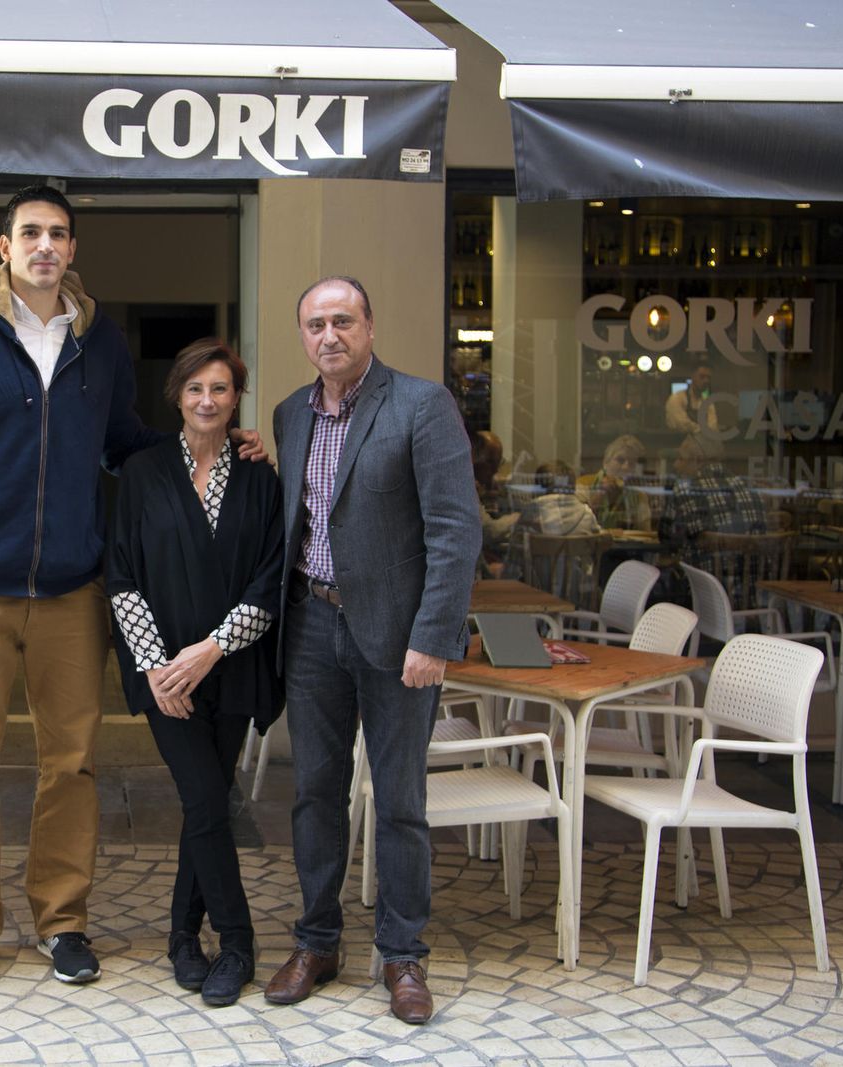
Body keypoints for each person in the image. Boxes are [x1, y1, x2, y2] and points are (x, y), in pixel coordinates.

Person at [0, 185, 266, 994]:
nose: (45, 246)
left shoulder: (100, 346)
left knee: (72, 764)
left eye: (59, 233)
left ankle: (62, 921)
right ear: (4, 246)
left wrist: (211, 437)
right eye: (31, 233)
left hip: (70, 594)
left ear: (73, 248)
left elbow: (125, 443)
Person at [266, 276, 478, 1024]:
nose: (330, 335)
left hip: (398, 638)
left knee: (401, 803)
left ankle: (403, 955)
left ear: (370, 326)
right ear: (303, 336)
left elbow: (456, 529)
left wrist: (433, 635)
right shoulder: (291, 414)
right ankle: (318, 941)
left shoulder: (421, 406)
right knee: (314, 795)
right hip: (313, 629)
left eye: (344, 321)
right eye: (317, 324)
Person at [106, 339, 284, 1008]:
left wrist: (211, 648)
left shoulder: (261, 479)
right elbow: (121, 575)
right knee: (208, 801)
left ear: (236, 397)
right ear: (176, 395)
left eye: (220, 388)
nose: (206, 400)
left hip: (231, 670)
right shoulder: (143, 472)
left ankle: (183, 936)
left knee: (202, 805)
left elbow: (270, 583)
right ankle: (237, 942)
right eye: (194, 389)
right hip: (167, 681)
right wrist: (156, 665)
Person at [657, 434, 766, 567]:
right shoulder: (752, 488)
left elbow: (666, 538)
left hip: (704, 583)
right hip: (753, 584)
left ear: (698, 460)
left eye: (680, 458)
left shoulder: (686, 489)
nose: (675, 465)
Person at [577, 433, 653, 530]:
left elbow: (645, 532)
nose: (626, 467)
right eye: (620, 460)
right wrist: (598, 496)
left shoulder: (639, 495)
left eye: (632, 463)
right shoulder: (583, 484)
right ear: (606, 462)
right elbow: (576, 523)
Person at [471, 430, 517, 577]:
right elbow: (489, 531)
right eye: (492, 463)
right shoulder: (463, 487)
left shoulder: (477, 485)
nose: (496, 470)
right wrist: (520, 517)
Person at [522, 461, 601, 536]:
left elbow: (516, 544)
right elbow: (598, 539)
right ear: (573, 489)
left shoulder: (530, 516)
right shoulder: (587, 514)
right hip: (579, 550)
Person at [664, 364, 720, 435]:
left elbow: (713, 426)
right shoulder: (677, 398)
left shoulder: (708, 404)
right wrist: (703, 430)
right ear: (693, 377)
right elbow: (680, 424)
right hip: (677, 443)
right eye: (702, 377)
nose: (706, 381)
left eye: (708, 378)